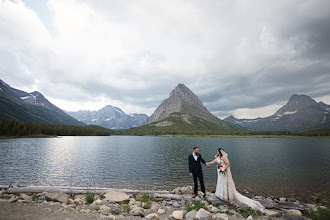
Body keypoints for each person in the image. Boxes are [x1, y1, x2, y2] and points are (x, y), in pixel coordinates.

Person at [207, 148, 265, 212]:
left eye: (218, 151)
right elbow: (214, 161)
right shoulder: (217, 157)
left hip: (223, 172)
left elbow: (228, 163)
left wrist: (224, 168)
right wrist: (209, 163)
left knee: (224, 182)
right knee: (220, 182)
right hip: (219, 172)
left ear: (220, 152)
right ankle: (220, 194)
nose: (217, 152)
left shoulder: (224, 157)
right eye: (217, 151)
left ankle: (226, 196)